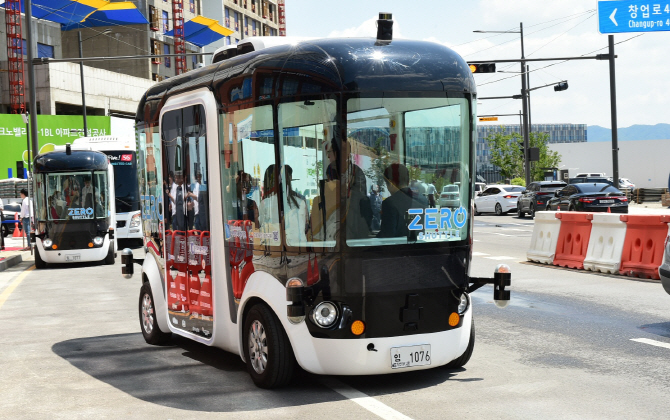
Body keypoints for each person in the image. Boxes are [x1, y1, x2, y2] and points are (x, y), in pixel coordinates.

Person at [377, 163, 428, 239]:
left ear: (391, 183)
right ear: (408, 181)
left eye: (387, 184)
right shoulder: (423, 200)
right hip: (419, 246)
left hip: (398, 248)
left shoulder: (389, 203)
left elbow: (387, 235)